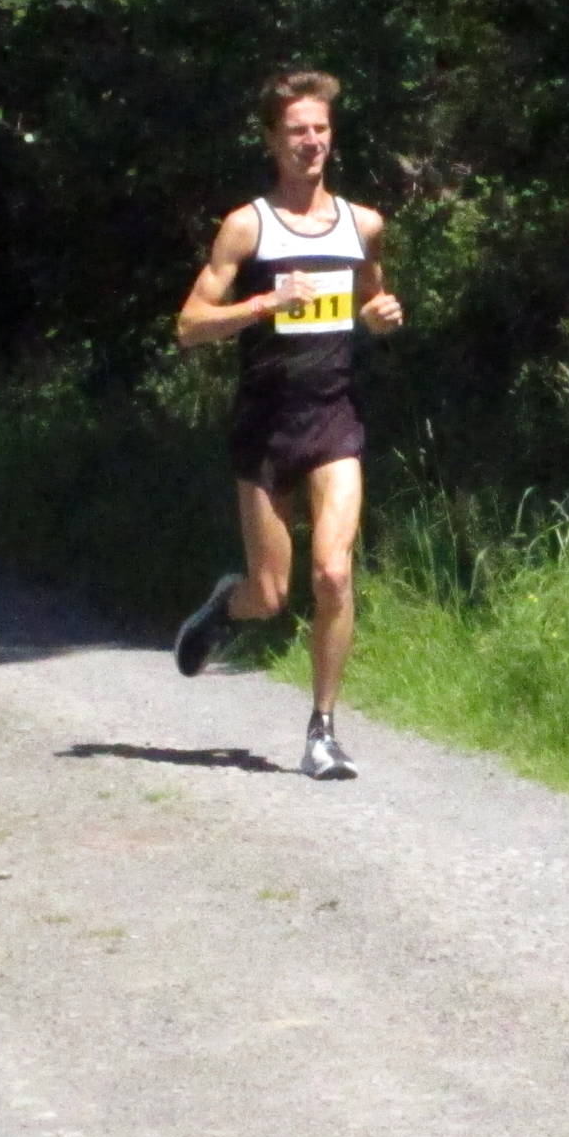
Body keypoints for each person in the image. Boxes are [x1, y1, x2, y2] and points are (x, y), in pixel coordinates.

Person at [168, 70, 405, 781]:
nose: (311, 142)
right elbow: (189, 325)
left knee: (332, 571)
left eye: (320, 129)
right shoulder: (248, 226)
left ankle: (323, 730)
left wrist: (380, 316)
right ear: (272, 140)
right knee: (270, 595)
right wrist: (265, 304)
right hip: (266, 423)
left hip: (334, 418)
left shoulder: (362, 224)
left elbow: (371, 299)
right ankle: (226, 604)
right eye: (297, 130)